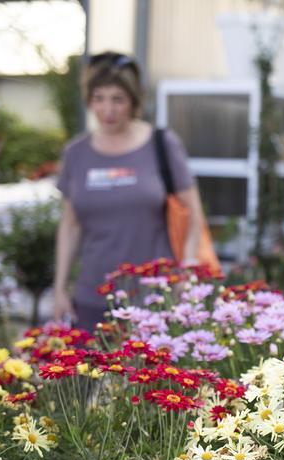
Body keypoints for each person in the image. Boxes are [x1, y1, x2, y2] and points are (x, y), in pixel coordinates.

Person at [53, 52, 203, 331]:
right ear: (89, 100)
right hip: (93, 298)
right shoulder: (76, 153)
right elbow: (70, 225)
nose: (107, 109)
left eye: (117, 99)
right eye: (99, 98)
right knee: (87, 374)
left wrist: (188, 268)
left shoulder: (161, 144)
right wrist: (60, 287)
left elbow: (194, 213)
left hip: (156, 298)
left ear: (133, 101)